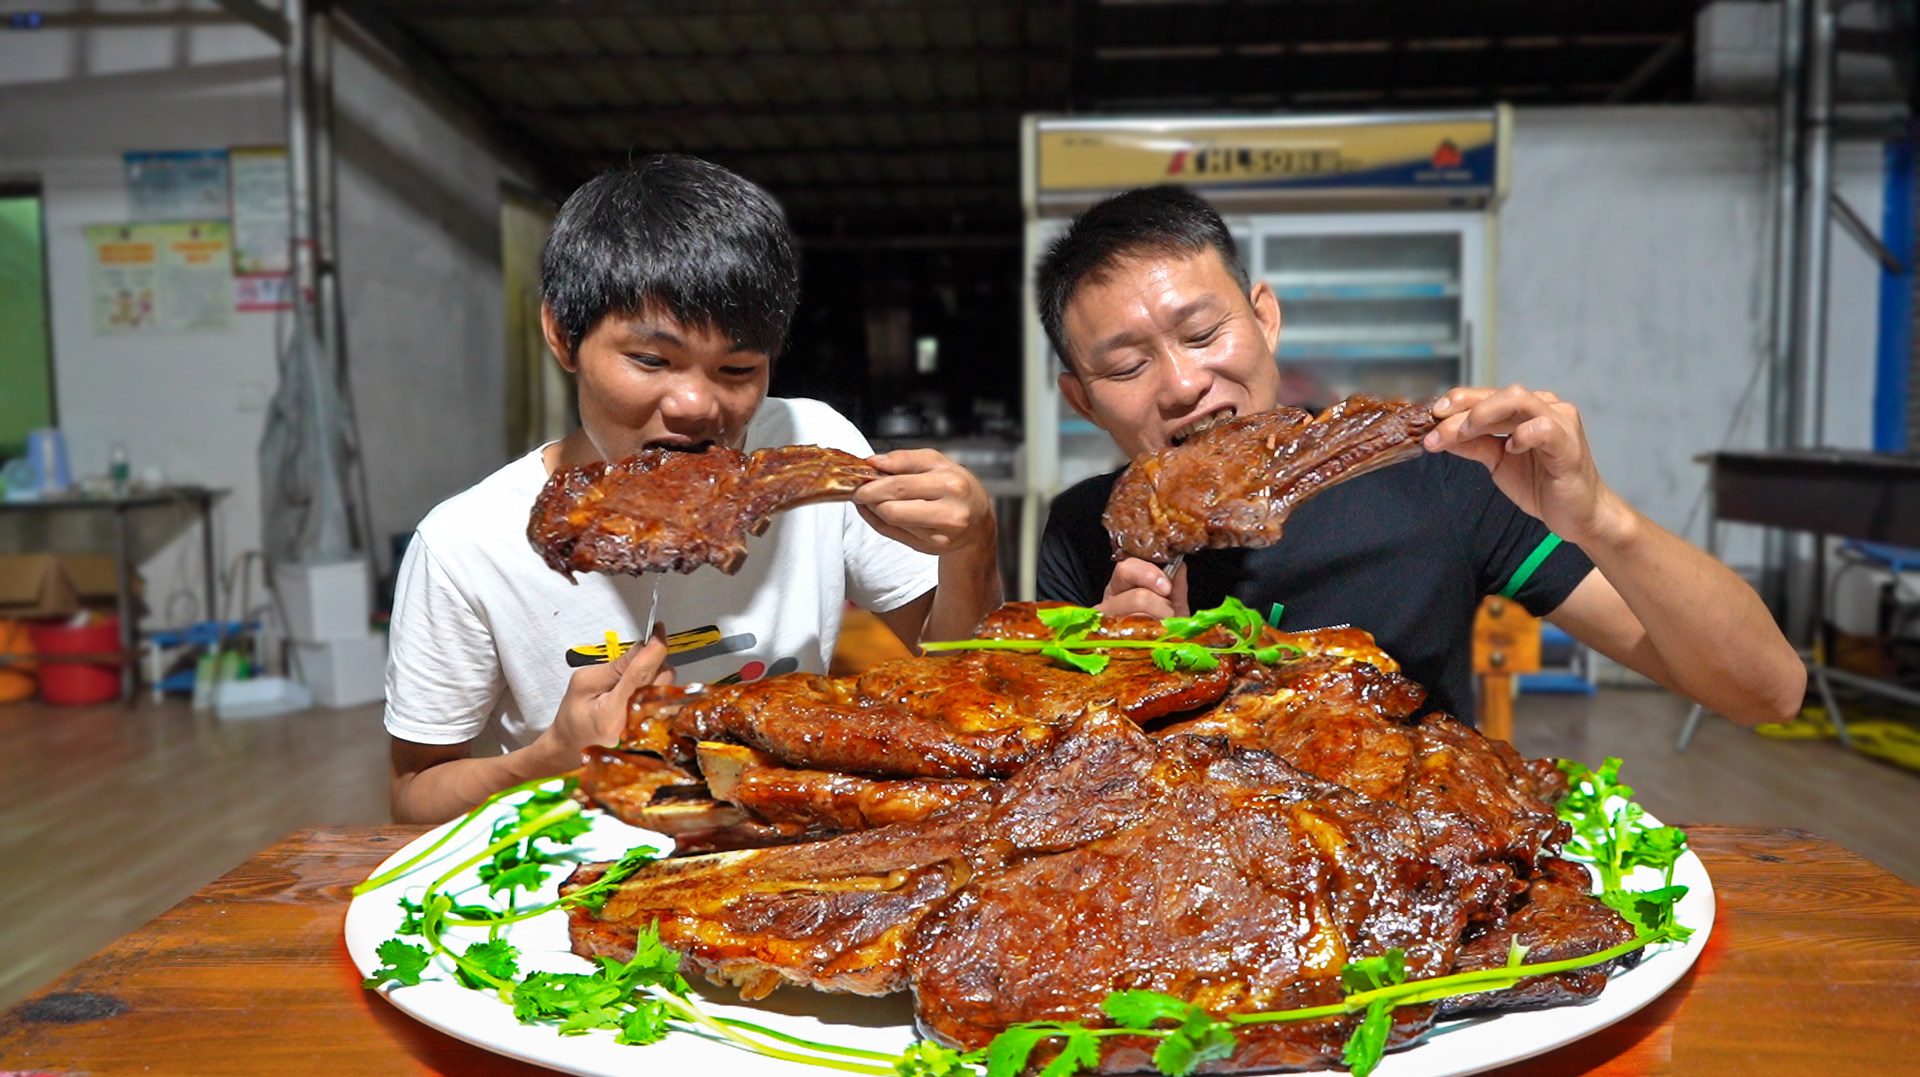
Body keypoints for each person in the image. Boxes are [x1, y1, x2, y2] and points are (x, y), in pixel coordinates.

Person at [1035, 185, 1804, 726]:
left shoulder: (1444, 477)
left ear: (1265, 319)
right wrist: (1121, 678)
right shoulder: (1083, 531)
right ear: (1082, 400)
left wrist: (1603, 520)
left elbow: (1767, 692)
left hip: (1420, 903)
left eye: (1204, 335)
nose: (1182, 383)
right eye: (1129, 366)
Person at [385, 155, 1001, 824]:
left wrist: (972, 546)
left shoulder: (812, 446)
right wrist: (546, 757)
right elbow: (414, 793)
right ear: (563, 334)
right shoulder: (465, 543)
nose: (695, 405)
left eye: (736, 368)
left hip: (786, 840)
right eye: (652, 360)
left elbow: (964, 688)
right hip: (571, 865)